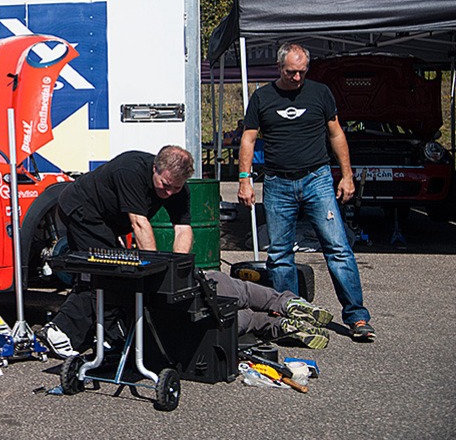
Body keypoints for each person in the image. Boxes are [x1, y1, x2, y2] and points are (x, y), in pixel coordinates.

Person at [237, 43, 375, 341]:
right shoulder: (262, 97)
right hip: (277, 182)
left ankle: (357, 317)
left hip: (318, 179)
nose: (297, 78)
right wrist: (244, 179)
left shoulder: (320, 93)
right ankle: (292, 316)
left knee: (338, 248)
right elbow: (248, 140)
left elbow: (336, 134)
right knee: (280, 254)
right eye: (290, 72)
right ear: (279, 68)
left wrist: (347, 176)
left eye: (301, 72)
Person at [41, 146, 194, 358]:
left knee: (115, 274)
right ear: (155, 168)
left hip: (109, 221)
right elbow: (139, 223)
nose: (168, 193)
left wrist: (177, 270)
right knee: (104, 273)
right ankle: (61, 330)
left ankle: (108, 335)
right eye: (165, 185)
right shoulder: (130, 171)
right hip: (82, 207)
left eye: (175, 189)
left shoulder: (178, 188)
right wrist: (154, 271)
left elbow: (183, 229)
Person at [205, 270, 333, 349]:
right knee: (245, 292)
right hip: (207, 292)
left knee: (251, 320)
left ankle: (279, 326)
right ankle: (286, 303)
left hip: (211, 329)